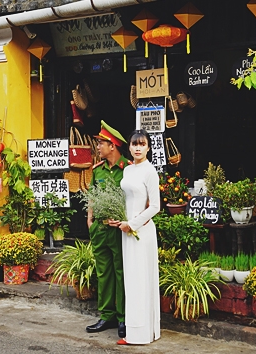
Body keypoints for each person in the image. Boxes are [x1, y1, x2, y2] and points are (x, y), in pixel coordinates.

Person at [85, 120, 131, 338]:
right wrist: (90, 220)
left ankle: (123, 317)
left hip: (119, 230)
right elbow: (92, 196)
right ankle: (106, 315)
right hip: (100, 229)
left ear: (112, 145)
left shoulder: (129, 170)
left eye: (101, 143)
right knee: (104, 274)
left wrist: (126, 221)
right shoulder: (98, 170)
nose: (98, 147)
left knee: (121, 273)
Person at [115, 129, 161, 345]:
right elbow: (126, 200)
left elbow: (155, 206)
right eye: (134, 144)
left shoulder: (150, 171)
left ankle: (142, 334)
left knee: (141, 280)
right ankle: (131, 332)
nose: (138, 148)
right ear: (130, 147)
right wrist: (116, 219)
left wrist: (132, 224)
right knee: (131, 280)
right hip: (126, 230)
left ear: (148, 147)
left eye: (142, 144)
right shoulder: (128, 171)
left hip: (141, 230)